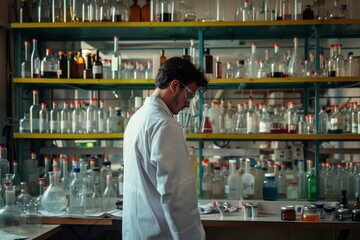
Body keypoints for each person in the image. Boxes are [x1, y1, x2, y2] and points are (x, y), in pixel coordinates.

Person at [122, 57, 208, 239]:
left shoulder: (137, 118)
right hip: (158, 234)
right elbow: (178, 197)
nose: (188, 103)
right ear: (174, 86)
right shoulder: (165, 125)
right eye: (189, 95)